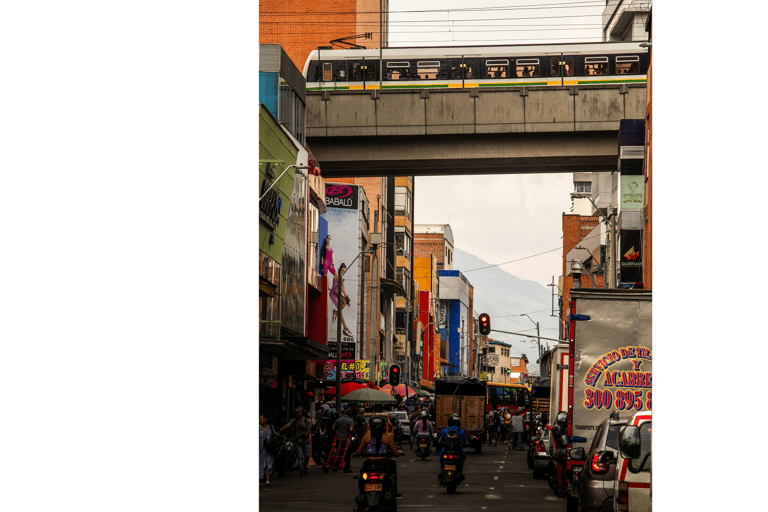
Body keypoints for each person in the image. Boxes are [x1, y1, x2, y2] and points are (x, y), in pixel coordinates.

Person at [354, 414, 404, 498]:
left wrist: (355, 454)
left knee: (361, 479)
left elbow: (358, 452)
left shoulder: (366, 437)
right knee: (391, 477)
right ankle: (393, 493)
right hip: (383, 464)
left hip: (369, 464)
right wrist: (400, 452)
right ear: (384, 426)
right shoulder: (387, 438)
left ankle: (362, 496)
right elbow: (396, 452)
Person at [278, 407, 313, 476]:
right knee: (299, 456)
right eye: (296, 412)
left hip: (305, 441)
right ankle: (301, 469)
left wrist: (302, 438)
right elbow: (287, 426)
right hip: (297, 442)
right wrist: (279, 431)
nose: (297, 414)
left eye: (298, 412)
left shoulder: (307, 421)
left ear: (301, 412)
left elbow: (309, 430)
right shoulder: (295, 421)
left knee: (307, 456)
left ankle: (304, 466)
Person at [330, 263, 353, 339]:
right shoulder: (336, 276)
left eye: (344, 271)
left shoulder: (341, 278)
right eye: (343, 270)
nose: (343, 272)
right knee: (340, 309)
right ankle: (345, 328)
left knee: (345, 302)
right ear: (340, 269)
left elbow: (343, 288)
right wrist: (346, 296)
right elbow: (342, 289)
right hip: (333, 293)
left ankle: (335, 313)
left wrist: (347, 299)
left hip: (338, 293)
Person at [332, 408, 355, 472]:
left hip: (338, 438)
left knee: (338, 451)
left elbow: (333, 428)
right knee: (347, 453)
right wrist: (353, 432)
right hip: (346, 438)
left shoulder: (338, 420)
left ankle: (336, 464)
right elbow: (351, 429)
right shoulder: (351, 421)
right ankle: (346, 467)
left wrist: (337, 432)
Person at [260, 414, 277, 486]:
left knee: (269, 464)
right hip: (260, 449)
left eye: (261, 419)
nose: (260, 420)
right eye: (260, 419)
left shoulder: (271, 427)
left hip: (269, 449)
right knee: (260, 464)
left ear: (266, 419)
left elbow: (275, 436)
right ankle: (260, 479)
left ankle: (267, 480)